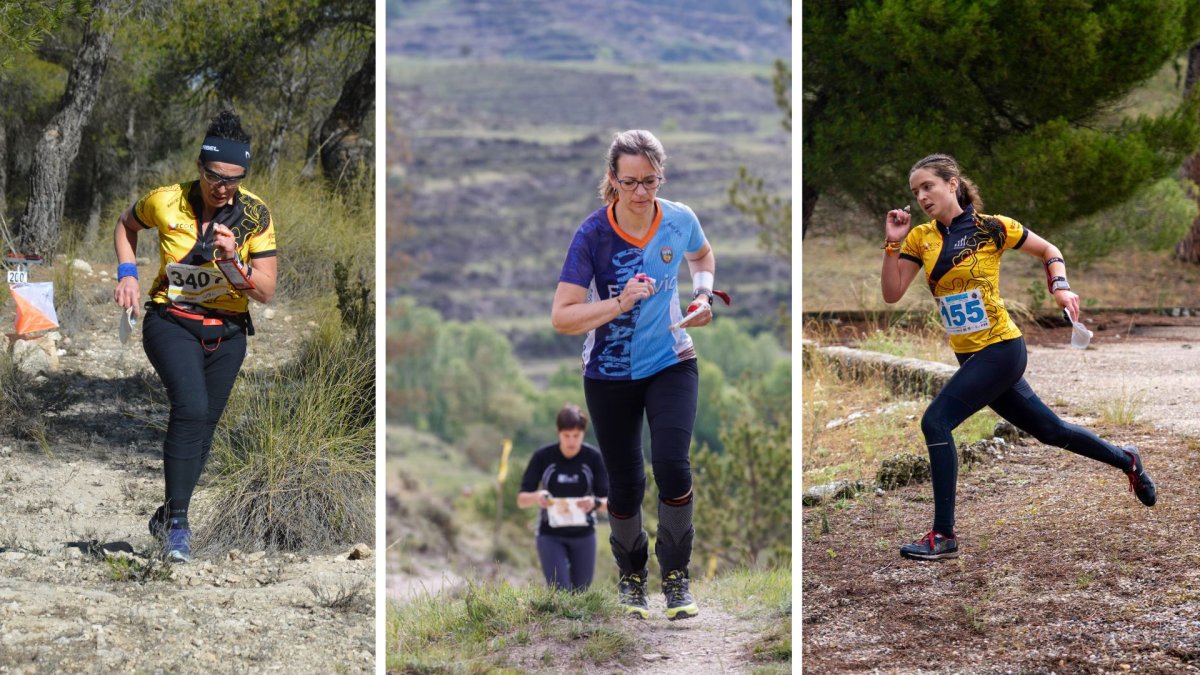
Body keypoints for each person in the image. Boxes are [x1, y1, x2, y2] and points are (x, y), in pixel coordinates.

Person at [881, 153, 1156, 562]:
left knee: (935, 420)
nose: (921, 196)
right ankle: (1127, 460)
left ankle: (943, 535)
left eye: (928, 186)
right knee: (1050, 430)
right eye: (915, 191)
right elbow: (891, 292)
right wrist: (892, 242)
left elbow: (1050, 250)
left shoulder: (992, 227)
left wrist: (1060, 287)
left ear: (952, 184)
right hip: (970, 357)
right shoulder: (920, 238)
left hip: (1002, 348)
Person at [551, 129, 718, 620]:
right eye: (631, 183)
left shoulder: (680, 218)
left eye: (651, 181)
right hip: (609, 372)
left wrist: (703, 296)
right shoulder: (592, 235)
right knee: (625, 485)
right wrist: (618, 302)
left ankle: (676, 577)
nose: (642, 193)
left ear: (661, 176)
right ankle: (631, 579)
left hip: (671, 360)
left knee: (672, 465)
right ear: (612, 180)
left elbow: (702, 256)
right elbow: (562, 317)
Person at [113, 110, 277, 563]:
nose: (222, 187)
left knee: (204, 429)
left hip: (227, 333)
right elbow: (125, 225)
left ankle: (168, 514)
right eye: (213, 176)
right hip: (171, 320)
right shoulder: (166, 201)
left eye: (233, 178)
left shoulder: (255, 214)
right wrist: (127, 273)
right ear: (199, 167)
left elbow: (264, 291)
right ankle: (179, 530)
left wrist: (233, 261)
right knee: (191, 407)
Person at [517, 404, 610, 591]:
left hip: (584, 534)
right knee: (560, 591)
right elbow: (521, 499)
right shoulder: (543, 457)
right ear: (558, 432)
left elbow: (609, 503)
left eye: (576, 436)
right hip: (550, 534)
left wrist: (595, 502)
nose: (571, 441)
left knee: (581, 592)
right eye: (566, 436)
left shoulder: (593, 458)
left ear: (583, 433)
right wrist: (537, 496)